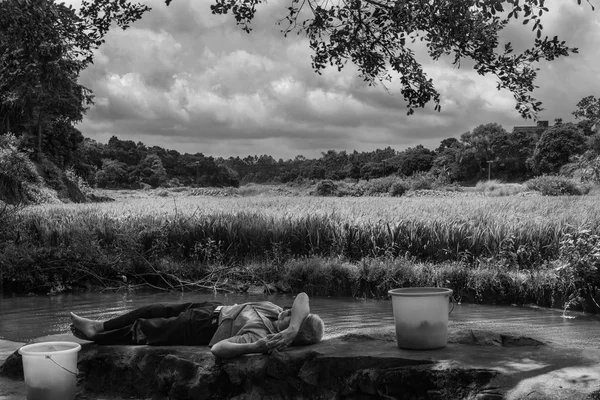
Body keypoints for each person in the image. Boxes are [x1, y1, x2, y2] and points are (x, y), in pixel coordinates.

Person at [69, 292, 324, 358]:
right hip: (211, 307)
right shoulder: (277, 312)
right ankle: (99, 326)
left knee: (144, 328)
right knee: (151, 309)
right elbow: (303, 297)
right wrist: (292, 327)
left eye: (292, 317)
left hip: (202, 327)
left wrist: (256, 347)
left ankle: (97, 337)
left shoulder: (261, 335)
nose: (289, 310)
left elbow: (218, 350)